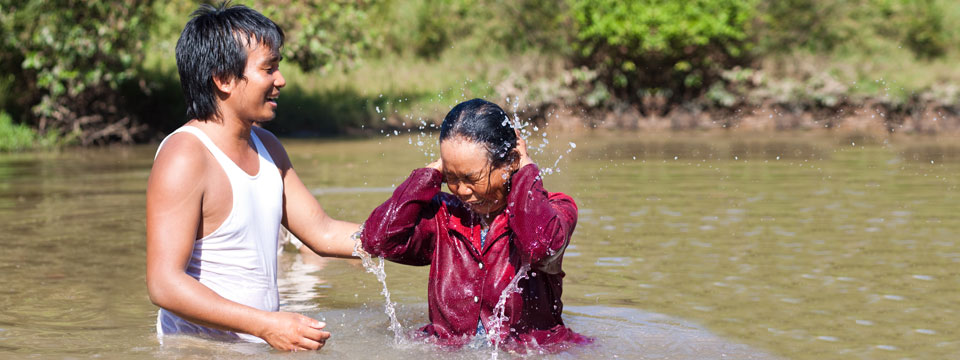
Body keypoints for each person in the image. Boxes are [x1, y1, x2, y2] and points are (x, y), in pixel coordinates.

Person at [145, 3, 358, 351]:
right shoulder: (185, 156)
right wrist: (265, 324)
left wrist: (416, 231)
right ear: (223, 79)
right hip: (200, 352)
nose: (281, 80)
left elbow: (322, 232)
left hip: (258, 345)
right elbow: (163, 283)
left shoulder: (268, 147)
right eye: (269, 68)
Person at [361, 98, 591, 352]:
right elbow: (377, 240)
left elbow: (539, 246)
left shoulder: (556, 211)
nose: (462, 190)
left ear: (509, 163)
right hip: (448, 349)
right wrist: (431, 174)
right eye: (451, 178)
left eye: (472, 178)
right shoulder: (442, 214)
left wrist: (525, 169)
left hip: (528, 353)